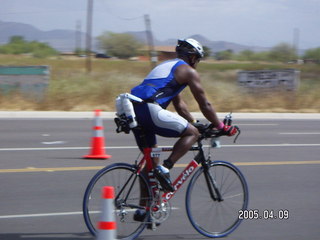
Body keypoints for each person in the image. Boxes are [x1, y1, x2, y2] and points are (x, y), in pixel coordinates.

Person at [131, 38, 237, 194]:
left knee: (151, 162)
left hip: (134, 110)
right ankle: (166, 168)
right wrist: (222, 126)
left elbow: (179, 105)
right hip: (150, 110)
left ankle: (145, 209)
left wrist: (193, 121)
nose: (197, 64)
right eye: (197, 60)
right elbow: (205, 105)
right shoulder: (188, 71)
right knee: (193, 133)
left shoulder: (166, 67)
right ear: (193, 57)